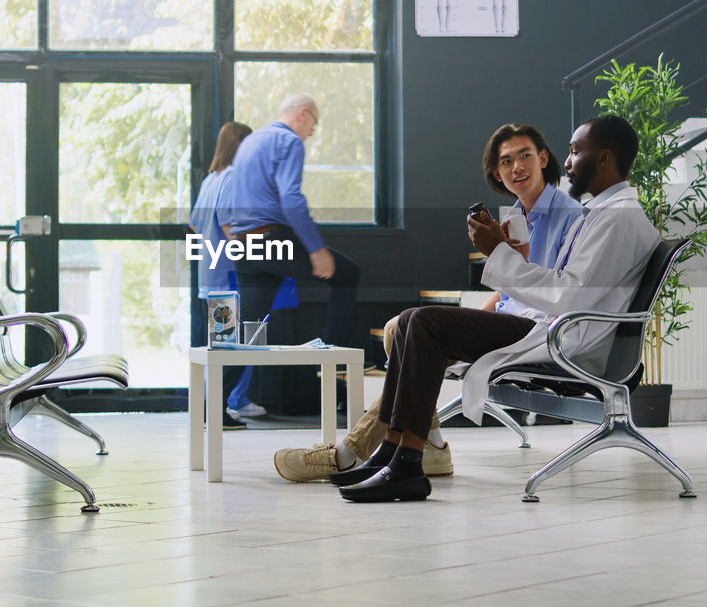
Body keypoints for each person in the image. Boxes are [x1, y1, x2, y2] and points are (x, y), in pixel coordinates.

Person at [338, 115, 659, 502]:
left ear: (605, 159)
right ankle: (392, 453)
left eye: (575, 151)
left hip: (566, 337)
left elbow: (568, 295)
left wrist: (498, 253)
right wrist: (512, 258)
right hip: (552, 325)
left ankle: (406, 462)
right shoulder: (605, 213)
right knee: (409, 321)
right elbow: (567, 286)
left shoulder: (617, 218)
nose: (568, 162)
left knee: (422, 322)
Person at [273, 123, 583, 483]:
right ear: (496, 173)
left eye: (525, 155)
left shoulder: (568, 216)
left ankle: (350, 451)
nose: (516, 167)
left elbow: (554, 293)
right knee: (396, 328)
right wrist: (478, 319)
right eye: (505, 161)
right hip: (512, 321)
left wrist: (499, 261)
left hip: (540, 330)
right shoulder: (515, 215)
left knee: (417, 326)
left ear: (543, 158)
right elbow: (511, 291)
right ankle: (432, 443)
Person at [224, 92, 361, 369]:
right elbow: (291, 199)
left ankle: (213, 408)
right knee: (347, 274)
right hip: (271, 239)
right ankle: (334, 361)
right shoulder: (289, 141)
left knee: (247, 337)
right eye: (314, 123)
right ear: (302, 113)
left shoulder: (251, 142)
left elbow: (229, 199)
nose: (312, 132)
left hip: (244, 246)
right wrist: (316, 249)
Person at [188, 121, 262, 429]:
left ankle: (216, 407)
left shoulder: (211, 179)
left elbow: (194, 224)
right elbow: (232, 227)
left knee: (222, 343)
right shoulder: (233, 177)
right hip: (230, 275)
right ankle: (216, 409)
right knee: (234, 345)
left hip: (210, 275)